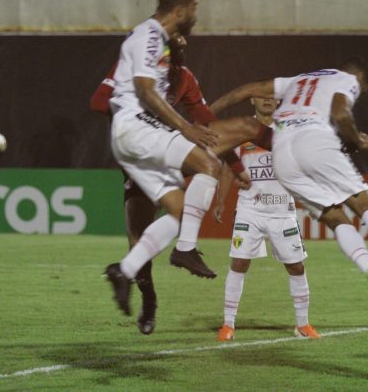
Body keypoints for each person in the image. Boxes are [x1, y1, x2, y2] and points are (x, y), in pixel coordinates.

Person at [103, 0, 268, 318]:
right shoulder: (148, 36)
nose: (196, 15)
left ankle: (125, 270)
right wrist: (185, 128)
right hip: (135, 130)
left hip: (136, 137)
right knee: (208, 162)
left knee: (180, 212)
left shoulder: (163, 48)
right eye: (194, 7)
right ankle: (185, 250)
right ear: (179, 10)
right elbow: (146, 91)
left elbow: (194, 110)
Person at [209, 59, 368, 304]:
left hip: (281, 153)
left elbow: (245, 90)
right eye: (363, 89)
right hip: (315, 139)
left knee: (336, 219)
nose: (361, 92)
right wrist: (357, 140)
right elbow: (340, 113)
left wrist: (207, 113)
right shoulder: (347, 80)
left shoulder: (298, 80)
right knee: (364, 206)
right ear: (361, 80)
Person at [91, 28, 251, 334]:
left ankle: (185, 248)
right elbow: (99, 102)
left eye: (182, 37)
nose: (182, 41)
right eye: (176, 36)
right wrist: (141, 116)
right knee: (138, 241)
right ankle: (149, 300)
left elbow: (206, 121)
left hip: (168, 150)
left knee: (205, 169)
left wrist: (234, 162)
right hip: (139, 158)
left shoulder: (184, 77)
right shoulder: (133, 73)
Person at [215, 96, 320, 341]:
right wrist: (220, 199)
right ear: (253, 100)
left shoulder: (288, 130)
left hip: (282, 210)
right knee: (239, 262)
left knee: (296, 266)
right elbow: (229, 167)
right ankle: (228, 325)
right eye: (262, 96)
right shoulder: (244, 130)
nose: (267, 101)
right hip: (250, 208)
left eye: (272, 97)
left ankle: (302, 325)